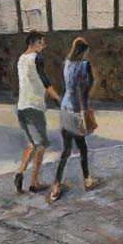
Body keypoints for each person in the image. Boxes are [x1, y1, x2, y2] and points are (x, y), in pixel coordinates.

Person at [50, 37, 97, 201]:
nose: (86, 55)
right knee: (82, 148)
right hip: (77, 109)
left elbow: (67, 87)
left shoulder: (67, 64)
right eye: (85, 52)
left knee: (66, 149)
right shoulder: (84, 65)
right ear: (82, 51)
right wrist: (85, 108)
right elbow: (86, 88)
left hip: (65, 107)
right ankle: (87, 180)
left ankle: (56, 184)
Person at [14, 30, 61, 194]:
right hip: (34, 107)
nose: (43, 46)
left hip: (22, 107)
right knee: (41, 145)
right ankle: (34, 182)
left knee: (31, 144)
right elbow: (45, 80)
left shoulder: (21, 59)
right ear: (32, 43)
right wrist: (57, 98)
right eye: (41, 43)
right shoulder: (37, 58)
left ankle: (20, 172)